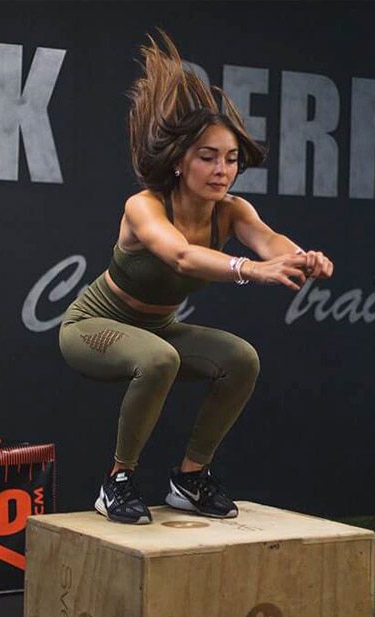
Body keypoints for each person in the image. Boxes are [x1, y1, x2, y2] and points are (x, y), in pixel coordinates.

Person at [59, 30, 334, 525]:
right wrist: (250, 270)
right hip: (90, 327)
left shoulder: (230, 211)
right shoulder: (144, 206)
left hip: (159, 329)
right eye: (208, 157)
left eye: (230, 159)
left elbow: (269, 240)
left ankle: (190, 478)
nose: (221, 170)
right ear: (180, 160)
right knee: (159, 358)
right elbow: (182, 257)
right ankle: (117, 480)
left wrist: (301, 257)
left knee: (240, 359)